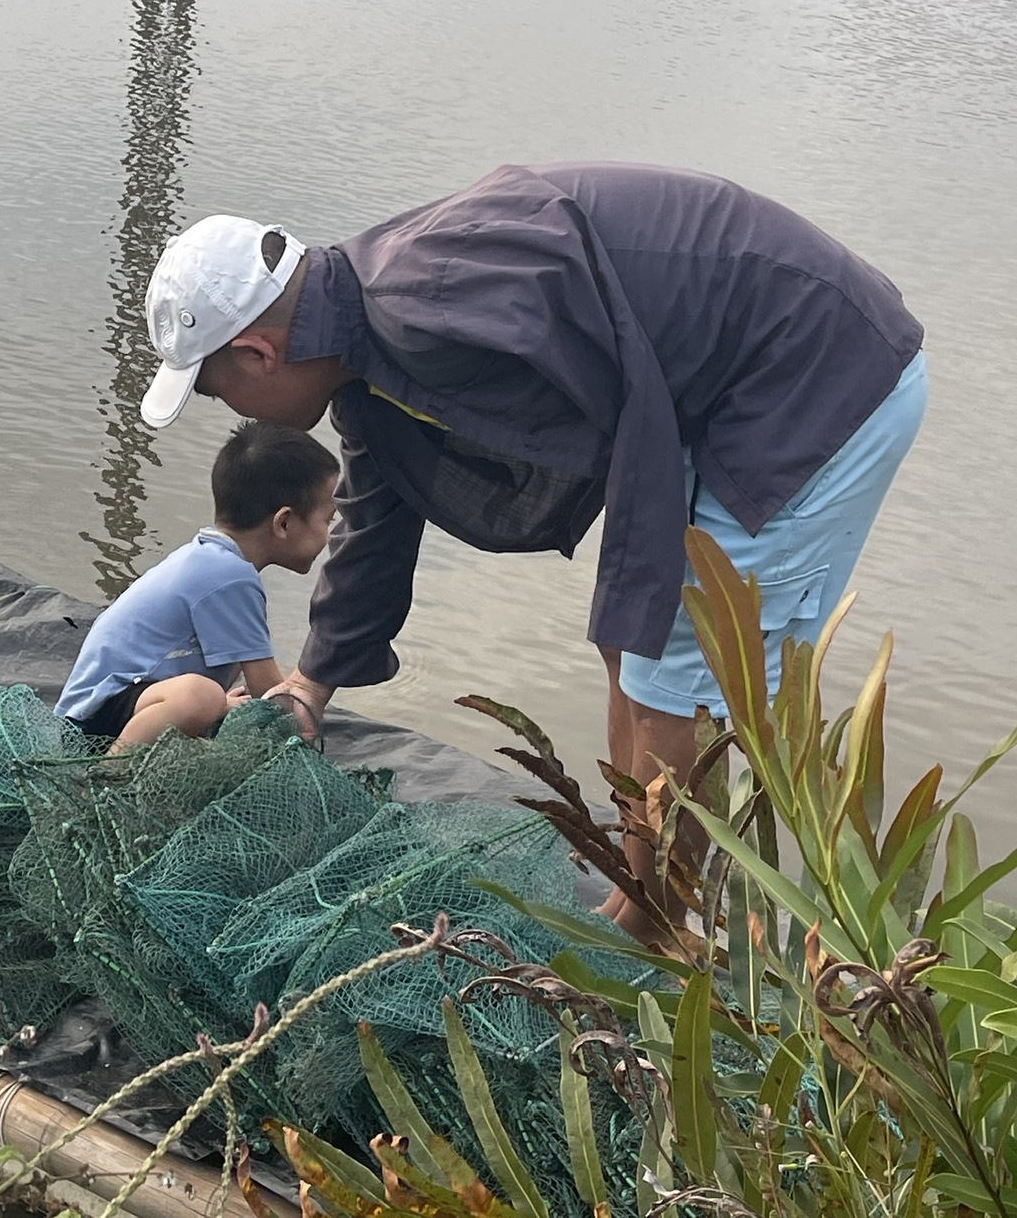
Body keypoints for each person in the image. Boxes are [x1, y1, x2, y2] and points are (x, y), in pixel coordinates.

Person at [136, 165, 925, 941]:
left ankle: (660, 927)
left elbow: (632, 401)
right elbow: (375, 518)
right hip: (707, 394)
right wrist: (310, 683)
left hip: (811, 371)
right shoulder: (365, 340)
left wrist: (642, 605)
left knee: (678, 671)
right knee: (636, 648)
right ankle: (640, 899)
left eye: (214, 389)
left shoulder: (432, 301)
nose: (227, 409)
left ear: (259, 354)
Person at [59, 420, 339, 750]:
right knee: (201, 696)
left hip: (129, 704)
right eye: (328, 520)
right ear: (284, 522)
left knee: (214, 690)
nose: (330, 534)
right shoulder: (230, 576)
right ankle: (106, 778)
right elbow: (270, 695)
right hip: (93, 721)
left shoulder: (213, 559)